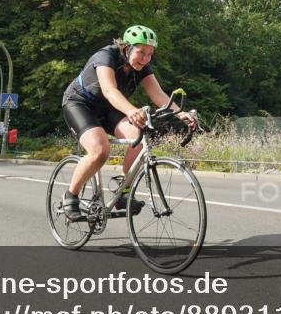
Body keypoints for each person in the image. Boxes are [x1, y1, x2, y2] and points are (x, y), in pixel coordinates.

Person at [61, 25, 196, 220]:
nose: (145, 59)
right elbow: (109, 91)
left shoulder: (142, 67)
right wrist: (132, 111)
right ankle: (71, 195)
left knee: (139, 138)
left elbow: (158, 95)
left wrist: (180, 114)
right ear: (127, 47)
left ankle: (123, 192)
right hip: (80, 104)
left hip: (109, 109)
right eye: (141, 52)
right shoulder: (106, 56)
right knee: (100, 150)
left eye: (150, 54)